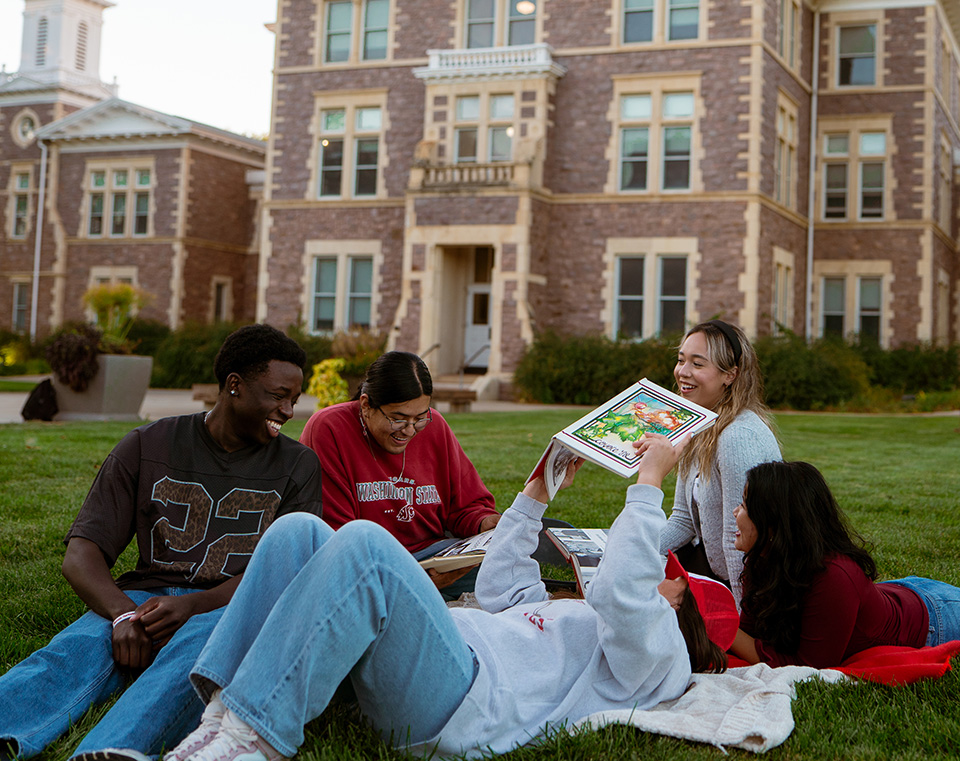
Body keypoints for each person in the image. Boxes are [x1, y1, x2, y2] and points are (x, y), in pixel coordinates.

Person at [79, 431, 737, 761]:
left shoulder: (658, 658)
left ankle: (255, 740)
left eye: (662, 568)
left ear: (676, 596)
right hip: (448, 658)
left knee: (364, 546)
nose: (647, 567)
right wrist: (538, 491)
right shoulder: (583, 618)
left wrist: (648, 481)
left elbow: (625, 587)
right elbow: (503, 585)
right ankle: (218, 723)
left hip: (467, 706)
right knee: (298, 532)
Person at [0, 324, 323, 761]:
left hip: (230, 607)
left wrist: (193, 605)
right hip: (144, 598)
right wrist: (121, 615)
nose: (287, 410)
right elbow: (82, 554)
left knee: (193, 663)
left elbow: (283, 571)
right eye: (277, 395)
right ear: (234, 386)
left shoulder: (298, 464)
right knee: (70, 652)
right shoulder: (148, 443)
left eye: (294, 399)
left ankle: (111, 751)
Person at [299, 350, 502, 595]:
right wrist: (413, 579)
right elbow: (339, 540)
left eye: (419, 418)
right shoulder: (329, 428)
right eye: (398, 419)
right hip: (369, 565)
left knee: (502, 568)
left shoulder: (434, 426)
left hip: (435, 558)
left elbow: (466, 506)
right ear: (366, 405)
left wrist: (483, 523)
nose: (409, 431)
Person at [730, 461, 960, 669]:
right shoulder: (762, 558)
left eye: (744, 505)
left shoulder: (834, 575)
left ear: (774, 523)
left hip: (938, 618)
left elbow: (808, 667)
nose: (735, 512)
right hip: (900, 593)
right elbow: (750, 635)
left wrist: (720, 629)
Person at [659, 320, 781, 605]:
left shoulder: (736, 436)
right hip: (713, 568)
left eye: (698, 364)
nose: (682, 372)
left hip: (753, 584)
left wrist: (740, 620)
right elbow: (682, 519)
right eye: (680, 360)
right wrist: (628, 555)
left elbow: (738, 539)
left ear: (730, 375)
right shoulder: (698, 424)